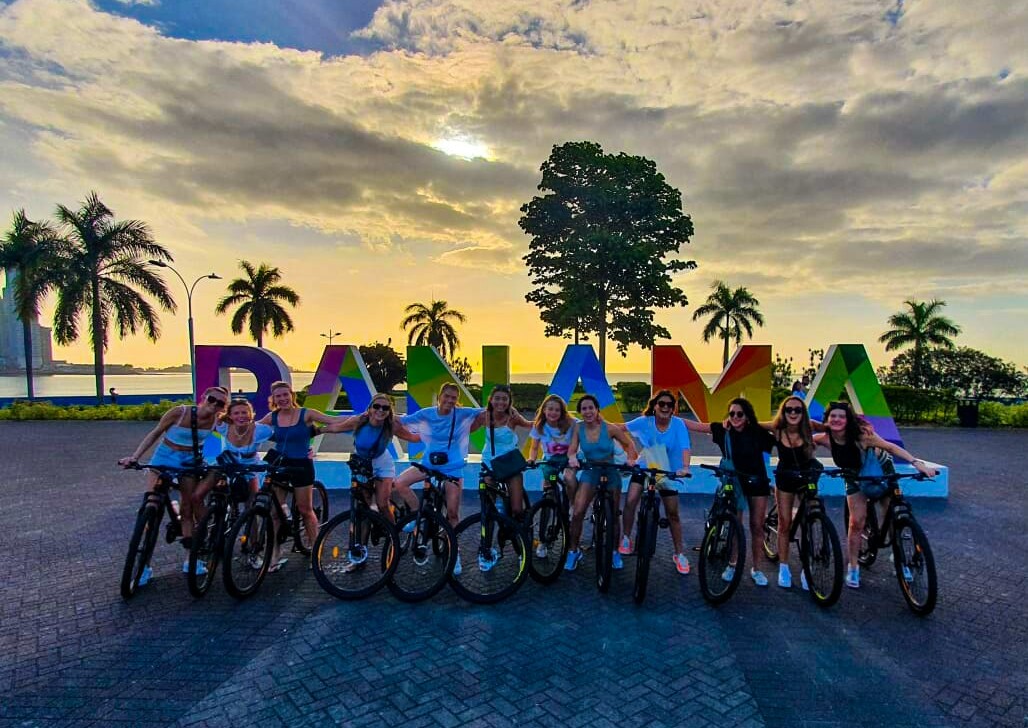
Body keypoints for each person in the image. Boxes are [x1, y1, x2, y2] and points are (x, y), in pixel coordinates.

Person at [813, 401, 937, 589]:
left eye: (842, 416)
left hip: (882, 472)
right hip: (854, 478)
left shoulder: (863, 436)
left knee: (894, 515)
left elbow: (891, 448)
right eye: (833, 416)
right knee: (857, 523)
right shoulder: (824, 438)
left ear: (848, 420)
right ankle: (853, 566)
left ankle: (900, 556)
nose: (837, 419)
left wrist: (916, 462)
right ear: (827, 420)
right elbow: (803, 441)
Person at [118, 386, 229, 582]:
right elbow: (155, 433)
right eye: (212, 399)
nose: (214, 405)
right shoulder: (180, 412)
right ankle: (144, 565)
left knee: (187, 511)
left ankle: (189, 560)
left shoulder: (216, 423)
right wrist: (135, 457)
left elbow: (217, 446)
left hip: (188, 462)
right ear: (203, 397)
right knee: (150, 507)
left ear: (223, 408)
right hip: (164, 457)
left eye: (220, 403)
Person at [392, 382, 484, 576]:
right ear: (439, 396)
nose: (449, 400)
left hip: (452, 467)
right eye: (447, 396)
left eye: (453, 397)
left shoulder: (460, 413)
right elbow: (405, 420)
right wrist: (377, 415)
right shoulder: (427, 413)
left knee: (452, 513)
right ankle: (418, 515)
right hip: (428, 464)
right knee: (399, 483)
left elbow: (484, 411)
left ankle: (454, 552)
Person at [684, 398, 775, 587]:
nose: (735, 417)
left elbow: (780, 432)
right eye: (731, 413)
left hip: (757, 483)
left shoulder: (758, 433)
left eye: (739, 414)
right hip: (734, 482)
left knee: (757, 526)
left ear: (747, 416)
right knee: (735, 524)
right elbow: (696, 426)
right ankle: (732, 564)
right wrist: (667, 416)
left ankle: (756, 569)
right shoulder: (723, 430)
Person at [256, 380, 347, 569]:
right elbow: (251, 428)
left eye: (285, 395)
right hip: (280, 462)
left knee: (305, 509)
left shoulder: (306, 413)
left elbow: (332, 421)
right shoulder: (272, 417)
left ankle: (316, 550)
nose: (282, 399)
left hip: (301, 463)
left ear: (292, 395)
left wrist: (363, 417)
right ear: (273, 399)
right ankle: (275, 552)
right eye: (278, 396)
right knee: (274, 512)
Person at [619, 390, 693, 575]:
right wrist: (591, 422)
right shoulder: (644, 422)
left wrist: (685, 467)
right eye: (662, 404)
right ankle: (626, 537)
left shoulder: (678, 424)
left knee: (673, 513)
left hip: (668, 471)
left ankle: (679, 553)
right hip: (645, 467)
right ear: (654, 406)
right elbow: (619, 428)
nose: (666, 407)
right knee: (631, 500)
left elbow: (685, 447)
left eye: (670, 405)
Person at [565, 394, 638, 572]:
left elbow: (629, 445)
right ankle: (573, 551)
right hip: (591, 471)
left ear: (597, 410)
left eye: (591, 408)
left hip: (610, 471)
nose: (588, 411)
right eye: (584, 408)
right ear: (580, 412)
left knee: (613, 515)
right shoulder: (578, 428)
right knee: (578, 512)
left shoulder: (610, 428)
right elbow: (572, 450)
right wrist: (573, 457)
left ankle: (614, 551)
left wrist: (630, 459)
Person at [322, 393, 421, 520]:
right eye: (377, 406)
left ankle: (392, 533)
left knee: (382, 504)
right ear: (369, 408)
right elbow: (336, 428)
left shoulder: (390, 425)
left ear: (389, 411)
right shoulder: (359, 422)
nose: (380, 410)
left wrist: (434, 435)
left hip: (382, 463)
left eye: (385, 408)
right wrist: (317, 431)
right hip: (362, 463)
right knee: (365, 505)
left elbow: (411, 437)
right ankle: (362, 538)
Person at [766, 396, 820, 589]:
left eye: (797, 410)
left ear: (803, 412)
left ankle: (807, 568)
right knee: (785, 523)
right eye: (789, 410)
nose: (793, 413)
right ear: (783, 412)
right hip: (785, 478)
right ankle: (784, 567)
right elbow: (752, 424)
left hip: (806, 476)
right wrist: (731, 420)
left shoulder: (810, 427)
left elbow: (835, 427)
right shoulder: (777, 429)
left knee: (811, 520)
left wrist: (864, 428)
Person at [472, 385, 533, 519]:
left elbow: (530, 425)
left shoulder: (513, 417)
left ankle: (519, 534)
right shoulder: (484, 416)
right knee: (488, 506)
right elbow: (467, 430)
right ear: (491, 400)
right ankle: (488, 535)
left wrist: (553, 420)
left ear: (509, 402)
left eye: (505, 399)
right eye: (497, 398)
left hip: (510, 463)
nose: (501, 402)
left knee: (517, 509)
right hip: (490, 463)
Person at [526, 394, 577, 508]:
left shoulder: (571, 423)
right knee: (548, 484)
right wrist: (532, 459)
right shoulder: (539, 426)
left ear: (562, 412)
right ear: (544, 410)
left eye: (557, 410)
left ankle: (572, 504)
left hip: (569, 458)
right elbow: (534, 447)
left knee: (569, 478)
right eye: (550, 409)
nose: (553, 413)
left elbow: (587, 426)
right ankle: (549, 507)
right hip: (550, 459)